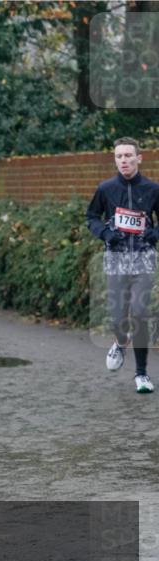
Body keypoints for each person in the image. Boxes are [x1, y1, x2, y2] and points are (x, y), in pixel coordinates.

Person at [87, 137, 159, 394]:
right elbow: (92, 217)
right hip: (116, 259)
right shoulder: (106, 189)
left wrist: (154, 233)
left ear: (139, 158)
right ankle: (120, 342)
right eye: (119, 157)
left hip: (143, 258)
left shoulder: (152, 189)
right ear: (115, 159)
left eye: (129, 156)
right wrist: (105, 234)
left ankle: (141, 375)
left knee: (139, 314)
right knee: (119, 318)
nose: (124, 161)